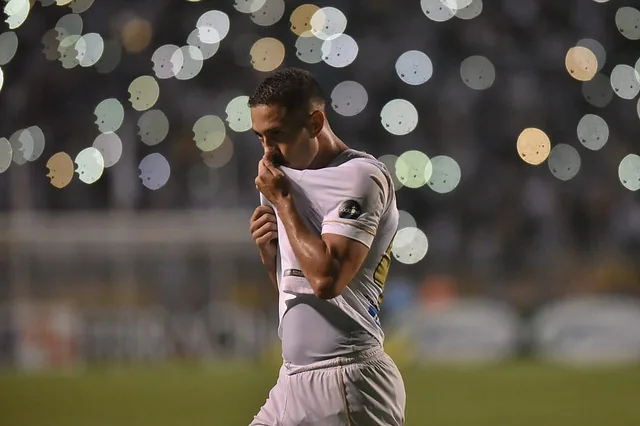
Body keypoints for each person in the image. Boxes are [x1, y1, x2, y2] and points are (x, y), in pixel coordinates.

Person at [248, 67, 405, 426]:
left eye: (277, 134)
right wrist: (271, 258)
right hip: (292, 378)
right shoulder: (281, 176)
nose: (268, 151)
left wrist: (284, 204)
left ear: (315, 123)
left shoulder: (360, 177)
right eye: (260, 137)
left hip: (346, 378)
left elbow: (326, 282)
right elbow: (298, 290)